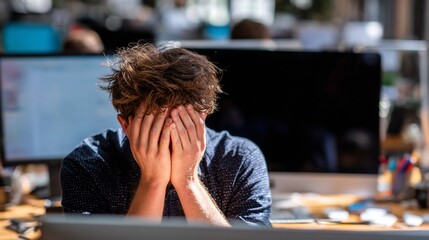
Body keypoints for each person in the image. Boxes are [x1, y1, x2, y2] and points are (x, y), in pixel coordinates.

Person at [60, 42, 272, 227]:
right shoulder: (87, 166)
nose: (169, 139)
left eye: (182, 124)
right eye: (155, 127)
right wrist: (153, 182)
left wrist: (188, 181)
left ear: (202, 118)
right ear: (125, 125)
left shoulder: (241, 160)